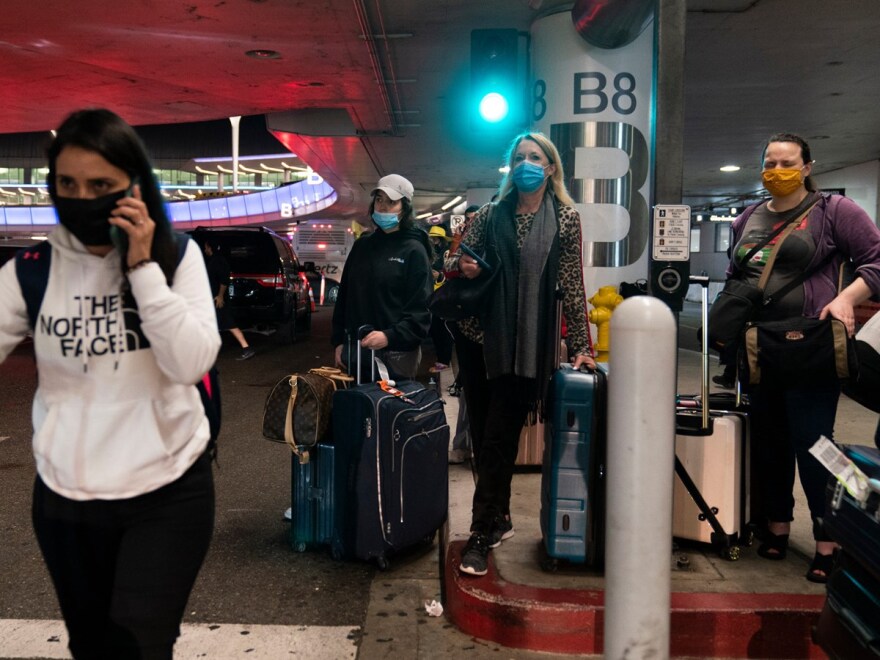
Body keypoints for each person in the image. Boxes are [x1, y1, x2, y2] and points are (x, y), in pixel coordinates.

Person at [0, 109, 221, 657]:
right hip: (67, 497)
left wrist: (143, 268)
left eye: (101, 185)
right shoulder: (31, 270)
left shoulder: (178, 258)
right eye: (67, 185)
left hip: (167, 489)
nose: (82, 198)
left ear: (135, 186)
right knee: (92, 646)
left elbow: (191, 363)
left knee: (140, 644)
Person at [726, 132, 880, 582]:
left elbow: (876, 262)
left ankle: (832, 536)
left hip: (811, 347)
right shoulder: (748, 218)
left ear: (808, 166)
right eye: (769, 162)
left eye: (787, 162)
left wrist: (848, 298)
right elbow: (740, 275)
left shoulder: (834, 212)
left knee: (816, 444)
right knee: (769, 441)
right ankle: (777, 526)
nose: (777, 170)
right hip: (761, 348)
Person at [452, 131, 595, 576]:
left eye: (535, 157)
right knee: (484, 436)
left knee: (499, 438)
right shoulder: (490, 213)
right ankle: (501, 516)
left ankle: (480, 533)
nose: (526, 164)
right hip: (478, 340)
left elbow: (570, 282)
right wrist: (463, 264)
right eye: (519, 157)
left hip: (525, 346)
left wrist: (583, 346)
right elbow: (453, 262)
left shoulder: (566, 220)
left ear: (551, 168)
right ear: (510, 166)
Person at [332, 174, 432, 381]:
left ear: (405, 207)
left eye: (392, 202)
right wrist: (339, 341)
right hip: (356, 350)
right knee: (355, 409)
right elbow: (345, 296)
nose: (383, 207)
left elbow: (421, 310)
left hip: (396, 354)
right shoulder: (362, 245)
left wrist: (389, 336)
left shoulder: (414, 250)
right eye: (379, 200)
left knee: (390, 411)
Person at [203, 241, 255, 360]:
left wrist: (220, 296)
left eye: (206, 247)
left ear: (210, 247)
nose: (204, 249)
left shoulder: (218, 261)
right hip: (215, 298)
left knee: (220, 324)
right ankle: (246, 348)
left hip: (218, 299)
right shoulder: (214, 260)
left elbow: (224, 280)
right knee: (228, 324)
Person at [427, 225, 454, 372]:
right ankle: (440, 359)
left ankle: (444, 360)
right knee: (434, 329)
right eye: (432, 238)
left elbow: (452, 274)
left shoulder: (447, 254)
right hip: (433, 295)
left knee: (443, 329)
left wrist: (440, 276)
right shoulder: (431, 253)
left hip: (445, 296)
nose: (433, 240)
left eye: (436, 238)